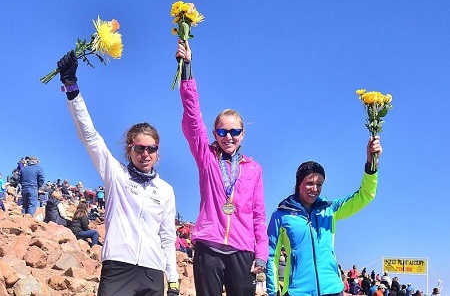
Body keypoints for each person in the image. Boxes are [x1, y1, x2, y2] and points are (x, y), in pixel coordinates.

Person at [55, 51, 179, 296]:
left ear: (158, 151)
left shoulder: (165, 190)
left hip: (152, 273)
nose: (145, 154)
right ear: (129, 149)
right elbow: (89, 136)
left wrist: (173, 280)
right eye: (139, 148)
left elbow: (167, 236)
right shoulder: (116, 174)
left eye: (151, 148)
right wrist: (72, 87)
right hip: (117, 268)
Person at [176, 40, 268, 296]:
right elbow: (193, 118)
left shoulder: (253, 169)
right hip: (209, 247)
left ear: (243, 133)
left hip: (242, 250)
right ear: (214, 133)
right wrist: (187, 71)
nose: (229, 137)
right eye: (222, 131)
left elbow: (258, 214)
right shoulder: (206, 157)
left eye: (235, 131)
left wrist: (261, 253)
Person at [266, 136, 382, 296]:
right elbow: (271, 256)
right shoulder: (281, 215)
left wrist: (371, 166)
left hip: (332, 290)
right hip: (298, 291)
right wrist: (273, 292)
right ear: (298, 183)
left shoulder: (330, 209)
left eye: (319, 184)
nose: (315, 188)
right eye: (309, 183)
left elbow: (365, 196)